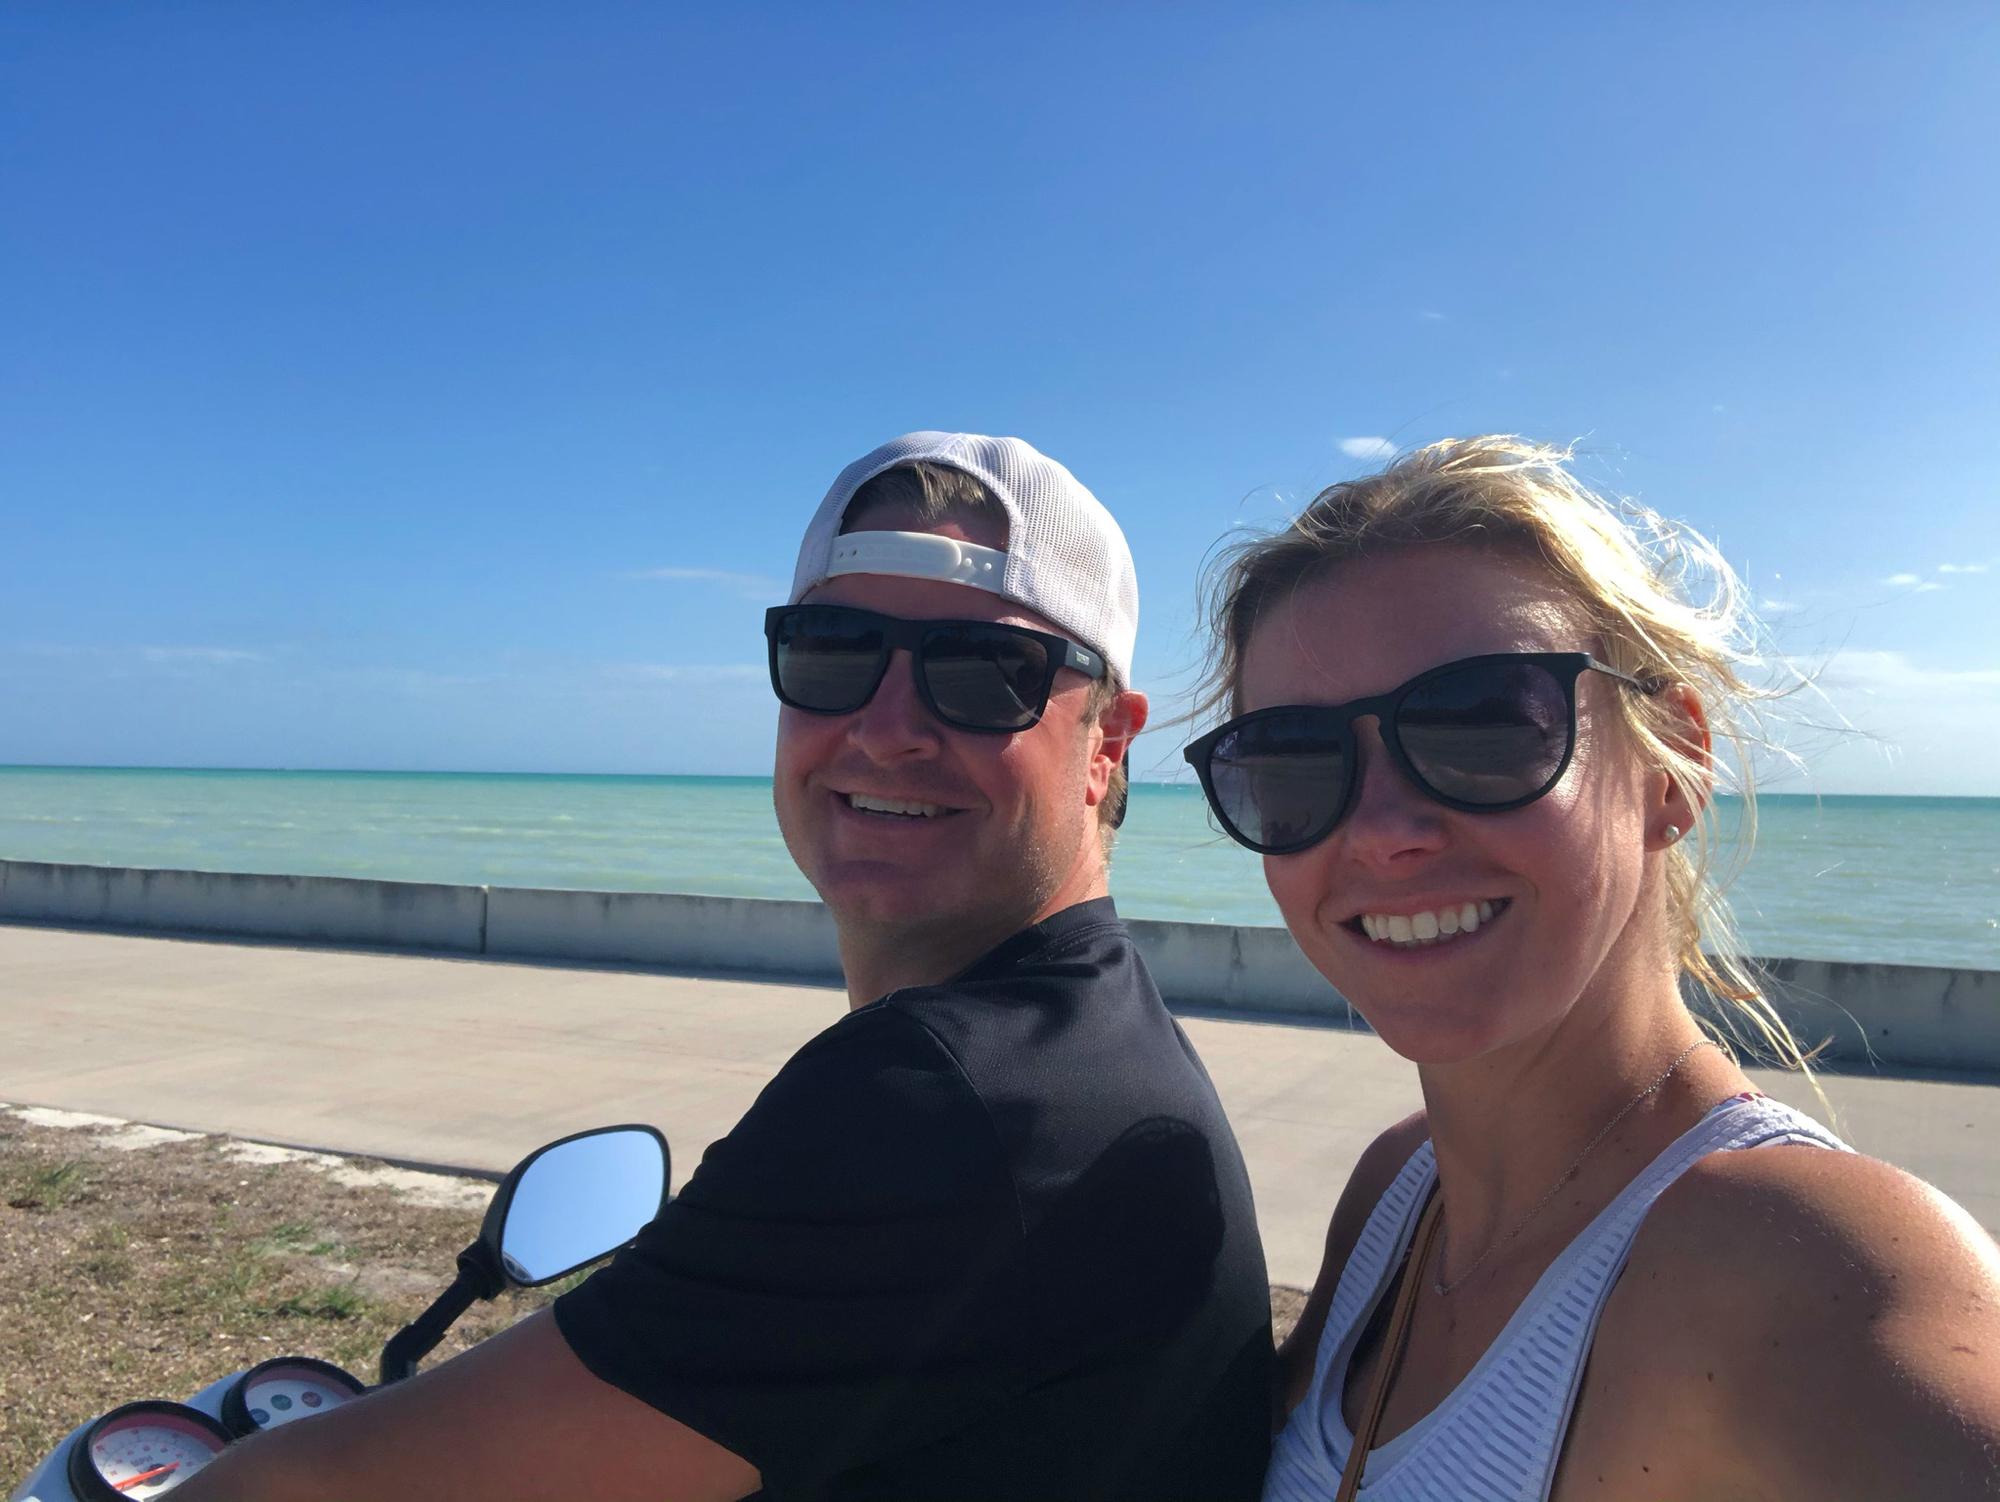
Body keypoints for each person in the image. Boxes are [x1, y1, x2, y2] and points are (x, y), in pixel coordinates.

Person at [178, 431, 1274, 1502]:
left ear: (1106, 744)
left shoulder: (945, 1100)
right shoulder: (1089, 1037)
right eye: (832, 652)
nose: (885, 728)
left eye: (987, 672)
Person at [1180, 436, 2000, 1500]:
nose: (1381, 831)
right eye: (1287, 760)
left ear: (1673, 763)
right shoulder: (1396, 1192)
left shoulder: (1827, 1279)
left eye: (1481, 722)